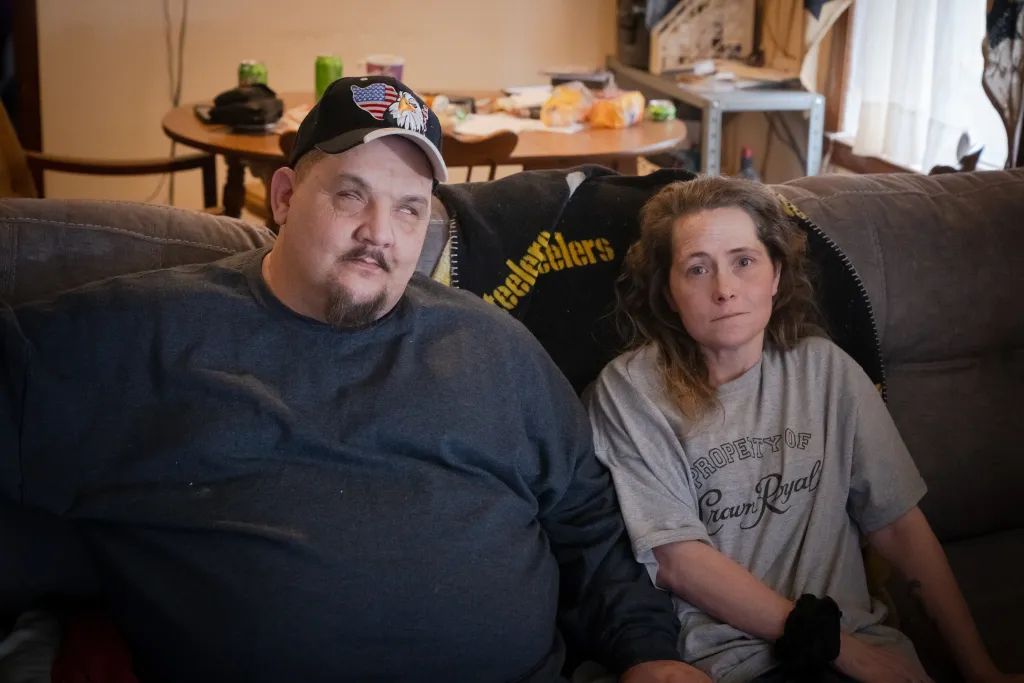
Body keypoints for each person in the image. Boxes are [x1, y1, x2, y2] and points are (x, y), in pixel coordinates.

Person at [0, 76, 709, 683]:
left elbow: (584, 519)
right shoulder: (149, 332)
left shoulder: (495, 347)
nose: (383, 232)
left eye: (409, 209)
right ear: (283, 195)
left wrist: (645, 650)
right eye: (351, 194)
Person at [584, 176, 1023, 683]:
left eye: (744, 261)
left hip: (862, 643)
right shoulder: (633, 391)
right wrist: (835, 648)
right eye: (697, 268)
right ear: (668, 292)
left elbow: (900, 526)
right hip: (729, 664)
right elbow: (678, 561)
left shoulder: (826, 371)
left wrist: (980, 669)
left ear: (776, 274)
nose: (724, 289)